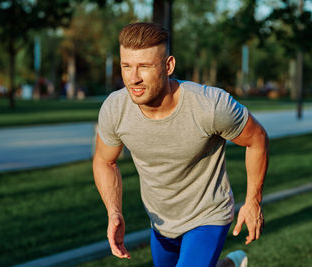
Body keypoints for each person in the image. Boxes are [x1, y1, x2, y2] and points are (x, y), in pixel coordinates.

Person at [93, 22, 268, 267]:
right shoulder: (115, 109)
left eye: (144, 66)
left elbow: (257, 138)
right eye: (126, 66)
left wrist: (253, 201)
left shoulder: (209, 105)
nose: (133, 78)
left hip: (208, 216)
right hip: (161, 222)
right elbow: (104, 161)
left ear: (168, 66)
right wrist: (114, 212)